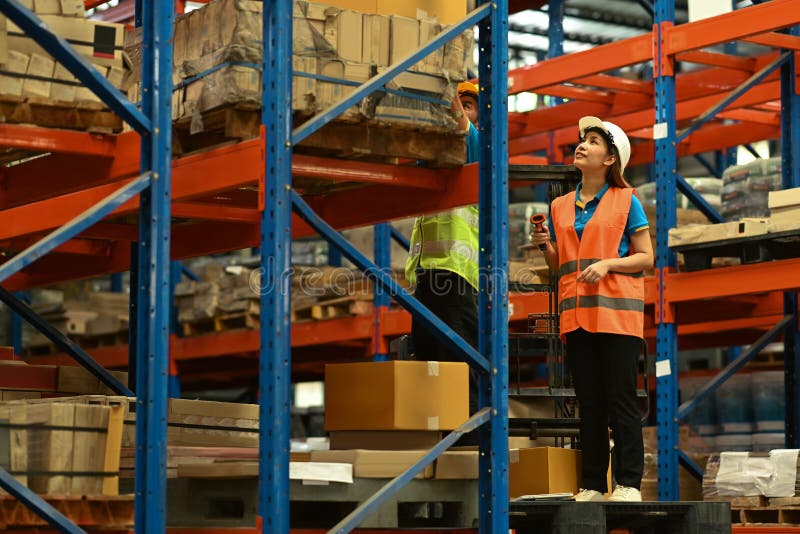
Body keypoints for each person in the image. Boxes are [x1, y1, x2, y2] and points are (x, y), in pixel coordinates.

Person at [530, 116, 653, 502]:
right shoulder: (560, 206)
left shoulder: (626, 201)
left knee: (620, 398)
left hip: (616, 317)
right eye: (582, 139)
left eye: (594, 141)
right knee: (589, 403)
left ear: (610, 160)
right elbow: (559, 268)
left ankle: (629, 483)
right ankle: (594, 485)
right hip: (577, 317)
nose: (582, 144)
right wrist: (544, 245)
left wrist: (608, 264)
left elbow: (646, 257)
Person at [405, 81, 481, 418]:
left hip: (456, 276)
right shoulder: (434, 158)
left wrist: (440, 80)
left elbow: (458, 121)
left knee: (458, 363)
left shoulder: (476, 143)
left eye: (470, 105)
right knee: (427, 363)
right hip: (426, 277)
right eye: (460, 102)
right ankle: (436, 434)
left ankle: (468, 442)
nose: (462, 110)